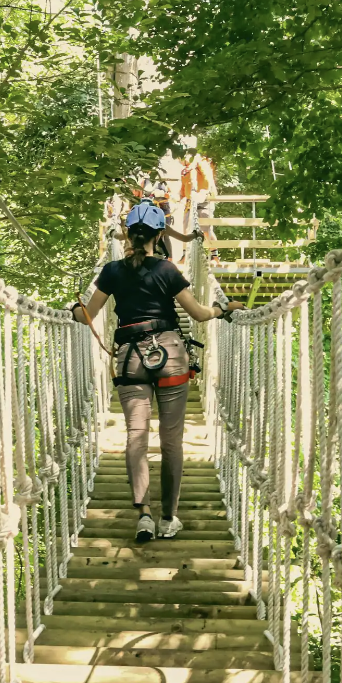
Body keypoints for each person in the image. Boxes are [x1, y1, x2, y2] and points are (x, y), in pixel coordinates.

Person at [72, 202, 244, 542]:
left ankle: (144, 516)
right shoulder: (168, 271)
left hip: (131, 360)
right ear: (159, 235)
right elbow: (197, 314)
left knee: (136, 436)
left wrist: (75, 309)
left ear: (127, 235)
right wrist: (222, 309)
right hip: (171, 357)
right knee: (171, 441)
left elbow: (88, 316)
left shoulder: (111, 271)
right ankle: (169, 518)